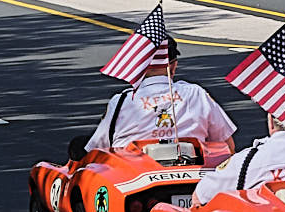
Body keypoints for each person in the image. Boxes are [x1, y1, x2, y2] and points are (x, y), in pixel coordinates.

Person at [84, 36, 238, 152]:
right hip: (193, 180)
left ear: (138, 67)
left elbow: (96, 150)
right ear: (173, 67)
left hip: (133, 184)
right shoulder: (196, 94)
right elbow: (227, 146)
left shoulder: (121, 102)